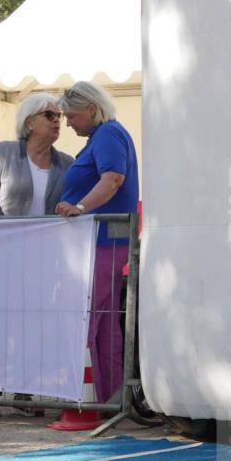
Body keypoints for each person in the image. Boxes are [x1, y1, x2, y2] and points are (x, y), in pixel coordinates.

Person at [0, 92, 74, 420]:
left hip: (44, 260)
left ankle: (24, 391)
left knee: (32, 324)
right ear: (29, 122)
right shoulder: (5, 152)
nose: (58, 121)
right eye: (50, 116)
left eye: (59, 117)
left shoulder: (66, 163)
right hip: (5, 255)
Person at [55, 81, 139, 405]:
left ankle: (82, 397)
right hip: (103, 243)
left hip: (101, 243)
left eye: (71, 116)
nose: (68, 123)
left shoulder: (107, 135)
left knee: (87, 320)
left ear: (91, 108)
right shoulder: (105, 135)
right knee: (103, 325)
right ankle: (106, 397)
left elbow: (112, 178)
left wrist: (79, 207)